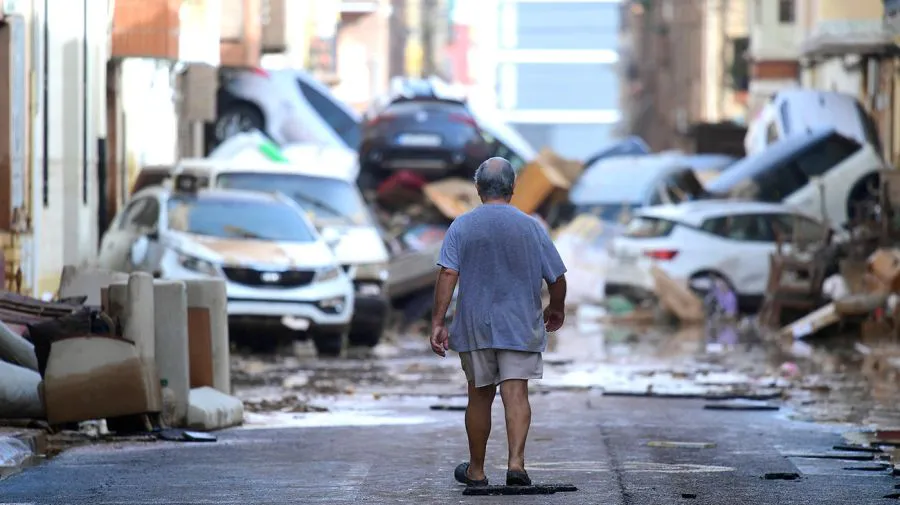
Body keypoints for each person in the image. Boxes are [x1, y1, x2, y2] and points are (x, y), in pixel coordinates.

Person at [430, 157, 568, 487]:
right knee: (516, 393)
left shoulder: (462, 226)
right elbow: (557, 277)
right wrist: (557, 308)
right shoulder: (531, 226)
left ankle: (476, 471)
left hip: (476, 324)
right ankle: (516, 465)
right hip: (521, 324)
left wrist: (438, 321)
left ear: (478, 188)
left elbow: (449, 273)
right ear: (512, 187)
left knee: (479, 396)